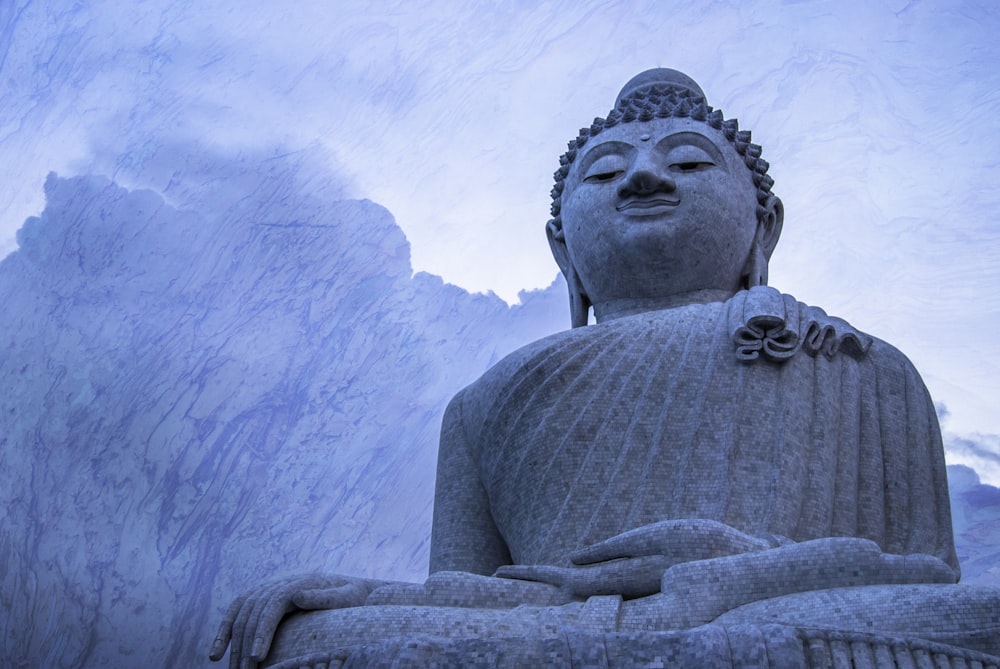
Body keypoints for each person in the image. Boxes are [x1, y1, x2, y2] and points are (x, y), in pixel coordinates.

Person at [210, 69, 1000, 669]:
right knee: (310, 640)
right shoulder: (484, 402)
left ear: (764, 227)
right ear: (563, 252)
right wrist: (371, 595)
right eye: (605, 171)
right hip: (556, 626)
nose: (646, 177)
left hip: (764, 608)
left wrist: (736, 568)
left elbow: (925, 579)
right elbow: (486, 597)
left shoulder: (862, 364)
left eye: (689, 163)